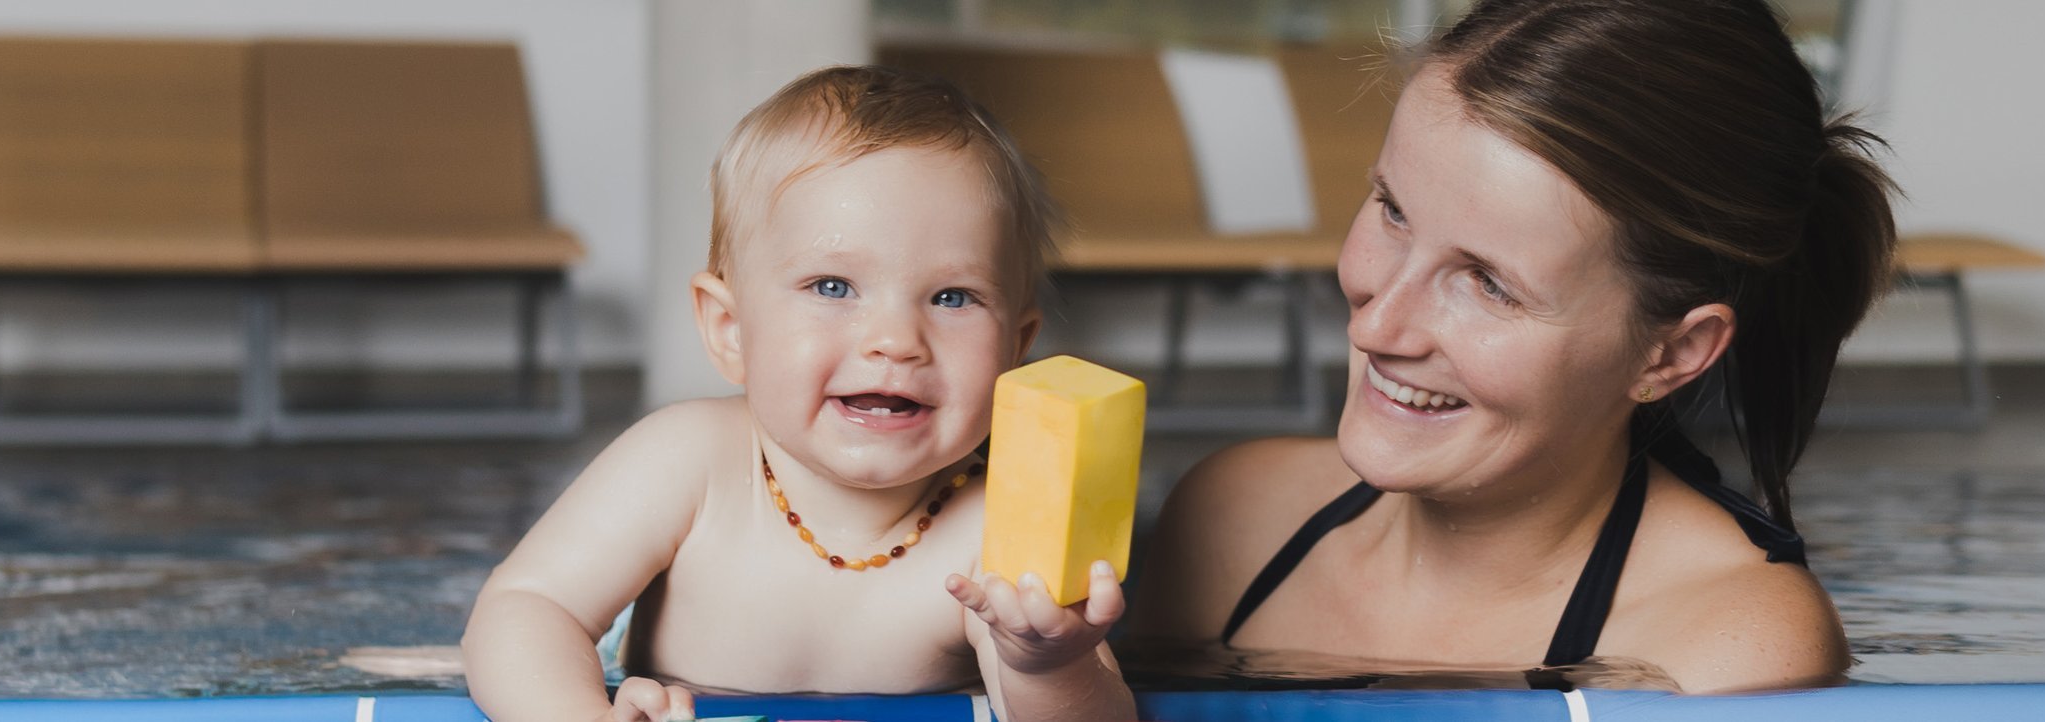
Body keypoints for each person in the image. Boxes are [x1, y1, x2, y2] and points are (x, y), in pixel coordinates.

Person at [1133, 0, 1896, 694]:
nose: (1375, 327)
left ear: (1670, 354)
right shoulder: (1228, 518)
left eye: (1490, 284)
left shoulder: (1727, 647)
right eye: (1393, 211)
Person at [462, 66, 1133, 722]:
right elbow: (527, 606)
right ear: (730, 330)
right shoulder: (687, 462)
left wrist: (1047, 666)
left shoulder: (999, 531)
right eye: (833, 287)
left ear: (1015, 351)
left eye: (953, 297)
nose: (897, 340)